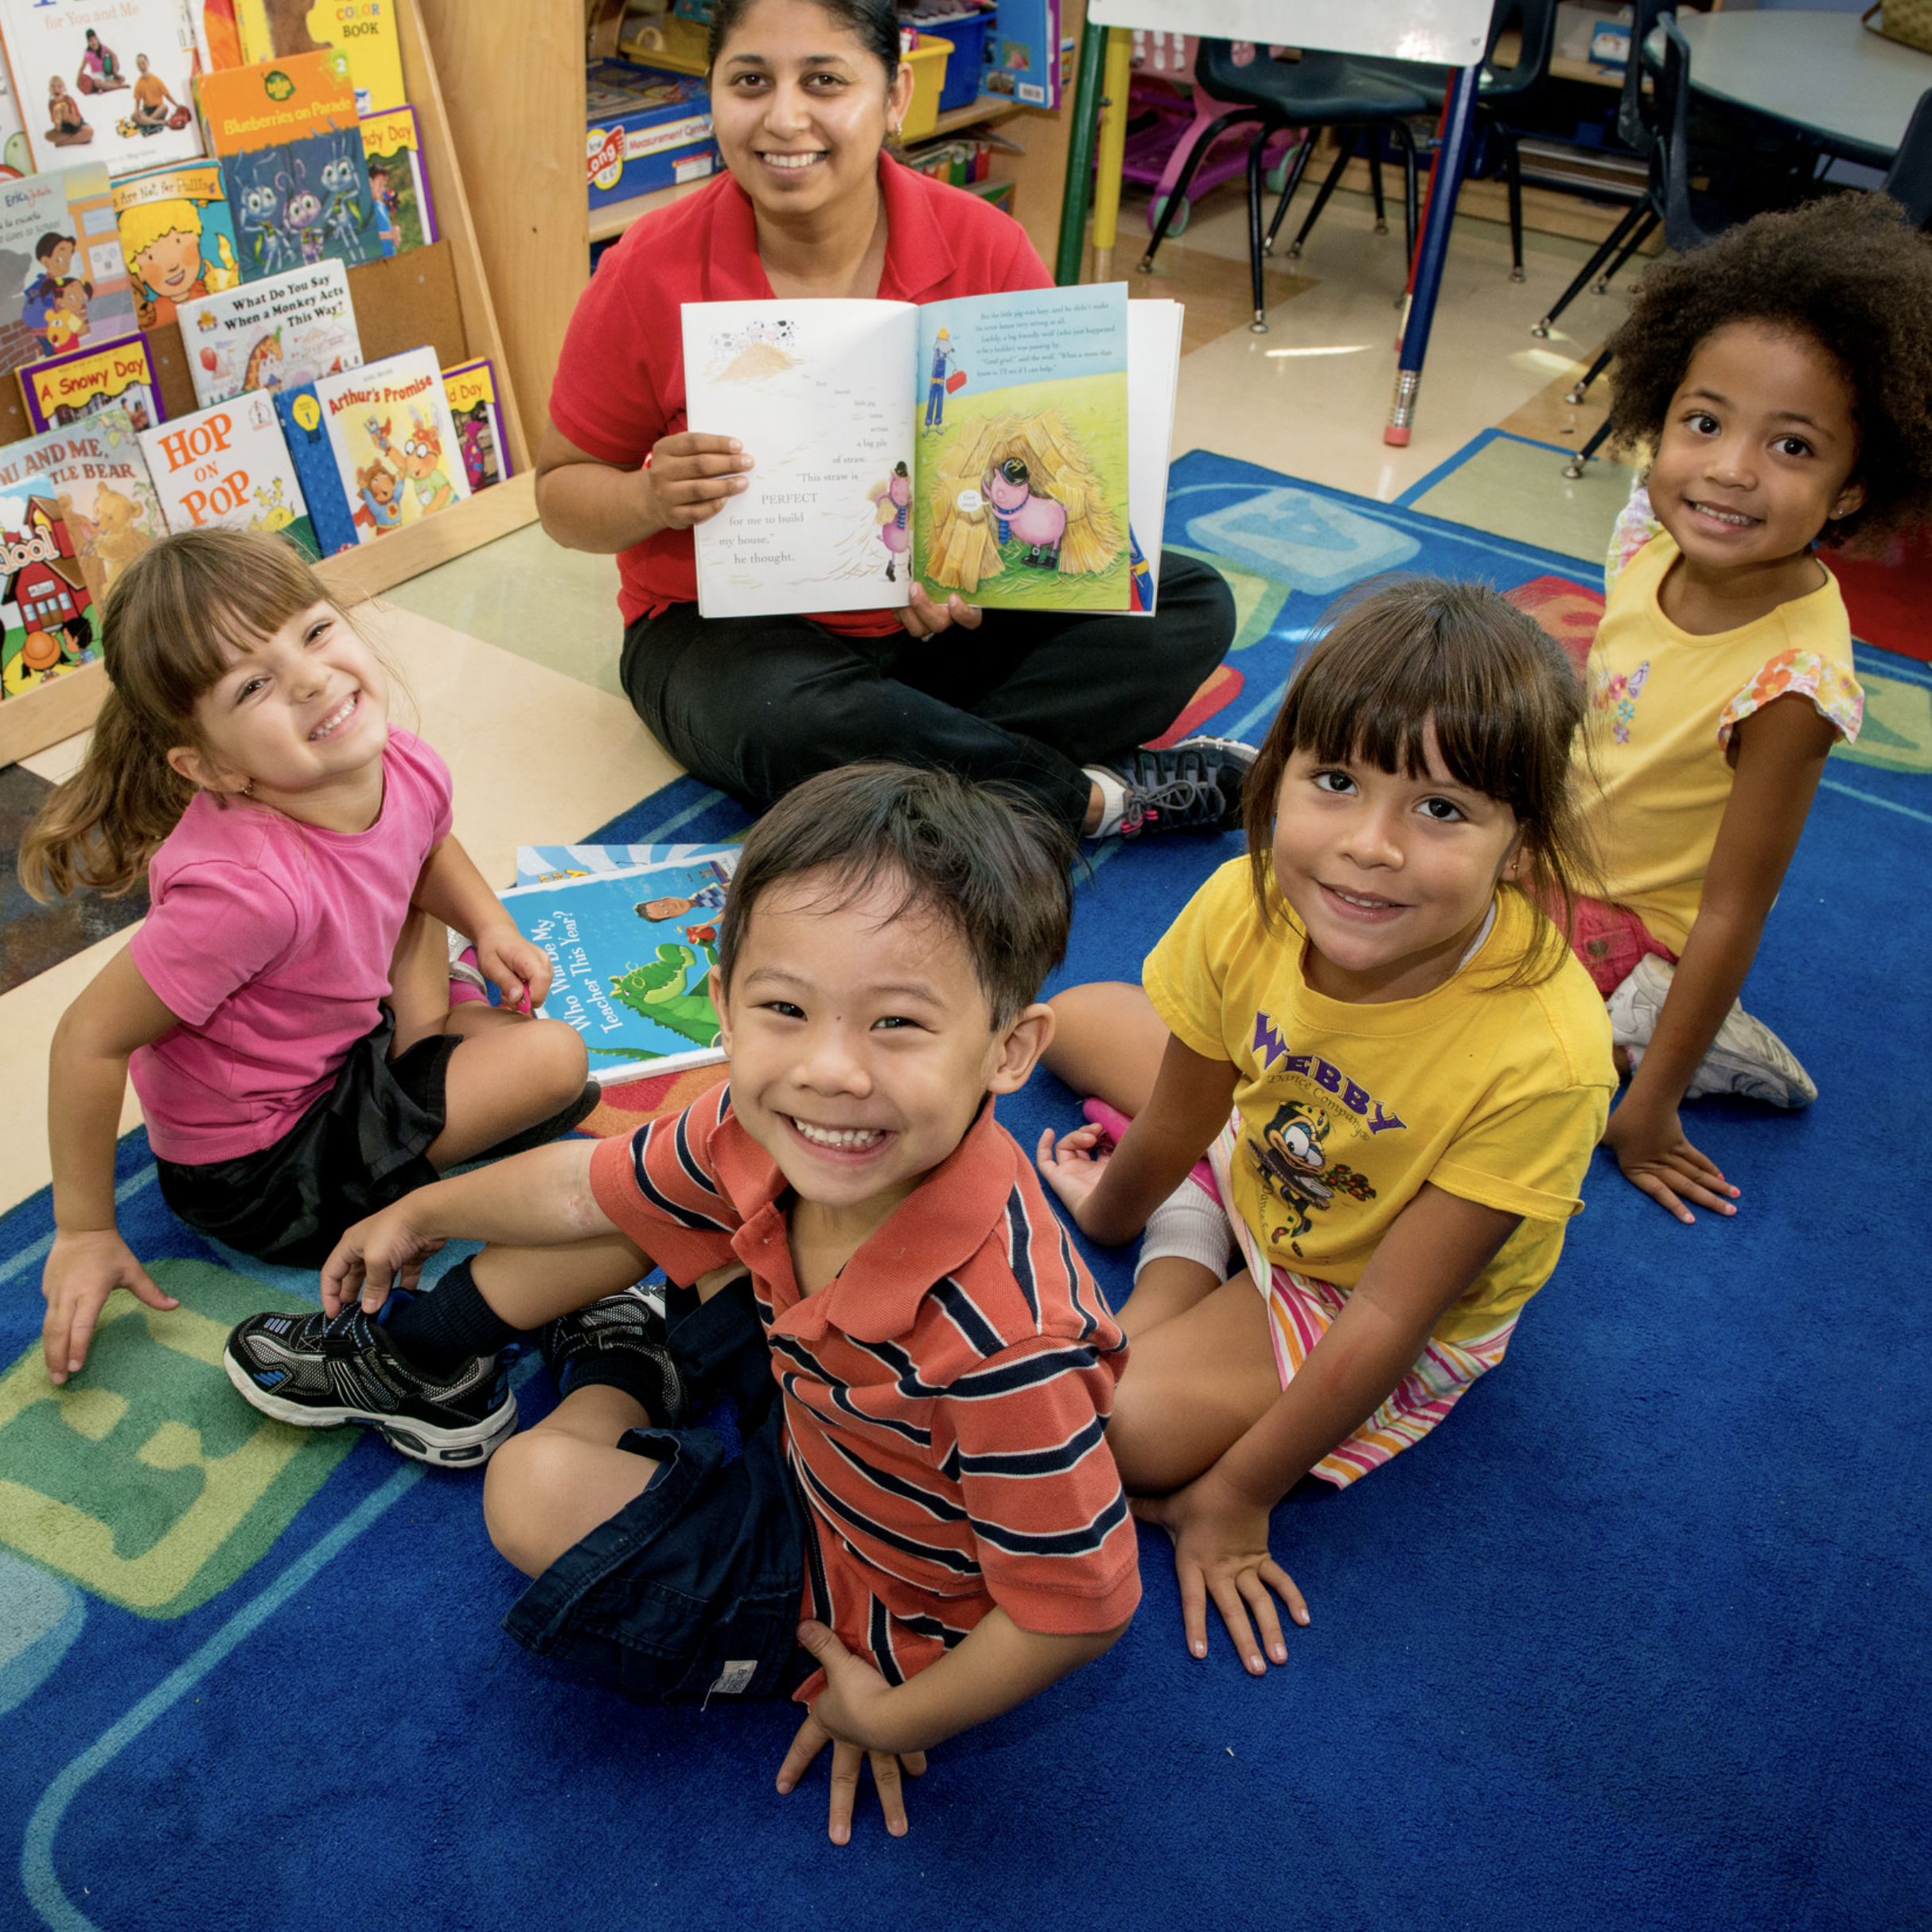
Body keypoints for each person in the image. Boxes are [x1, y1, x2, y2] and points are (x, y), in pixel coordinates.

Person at [223, 764, 1139, 1841]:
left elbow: (1075, 1608)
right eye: (786, 1010)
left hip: (873, 1591)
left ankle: (620, 1368)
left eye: (897, 1024)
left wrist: (896, 1713)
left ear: (1010, 1050)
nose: (830, 1070)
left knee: (528, 1490)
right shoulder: (766, 1124)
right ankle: (431, 1355)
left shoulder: (1011, 1343)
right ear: (724, 1004)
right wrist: (423, 1213)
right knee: (639, 1200)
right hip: (820, 1409)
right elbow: (579, 1185)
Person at [1035, 582, 1615, 1677]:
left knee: (1120, 1430)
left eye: (1441, 809)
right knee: (1069, 1020)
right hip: (1273, 1147)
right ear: (1277, 773)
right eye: (1337, 783)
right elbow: (1189, 1102)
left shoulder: (1547, 1060)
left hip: (1355, 1288)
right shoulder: (1247, 899)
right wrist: (1107, 1210)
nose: (1370, 847)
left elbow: (1392, 1315)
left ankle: (1187, 1258)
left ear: (1522, 843)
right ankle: (1182, 1243)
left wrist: (1234, 1497)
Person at [537, 0, 1247, 847]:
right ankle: (1090, 800)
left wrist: (972, 573)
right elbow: (561, 495)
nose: (784, 117)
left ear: (896, 93)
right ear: (713, 96)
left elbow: (1046, 490)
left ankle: (903, 769)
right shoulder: (646, 269)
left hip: (935, 636)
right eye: (750, 81)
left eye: (826, 81)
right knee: (785, 725)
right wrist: (650, 497)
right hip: (728, 637)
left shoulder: (983, 244)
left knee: (1187, 598)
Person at [21, 529, 598, 1389]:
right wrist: (84, 1230)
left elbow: (425, 842)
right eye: (252, 684)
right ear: (210, 765)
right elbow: (86, 1040)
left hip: (344, 1040)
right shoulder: (243, 891)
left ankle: (425, 1053)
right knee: (554, 1059)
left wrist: (491, 924)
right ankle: (414, 1189)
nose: (310, 677)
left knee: (500, 1023)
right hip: (262, 1164)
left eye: (315, 631)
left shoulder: (396, 761)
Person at [1573, 193, 1932, 1224]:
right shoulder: (1648, 531)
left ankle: (1689, 1045)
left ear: (1855, 486)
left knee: (1454, 1004)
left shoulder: (1792, 686)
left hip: (1639, 934)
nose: (1730, 469)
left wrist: (1650, 1108)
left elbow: (1734, 907)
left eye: (1793, 447)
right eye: (1704, 422)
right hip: (1549, 853)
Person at [130, 53, 182, 130]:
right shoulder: (138, 84)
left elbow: (167, 95)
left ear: (148, 63)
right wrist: (137, 113)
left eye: (143, 63)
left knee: (165, 107)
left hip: (158, 109)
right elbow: (137, 102)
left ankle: (145, 122)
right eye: (139, 65)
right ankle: (157, 122)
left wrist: (177, 105)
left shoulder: (156, 80)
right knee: (133, 116)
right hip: (147, 110)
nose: (142, 66)